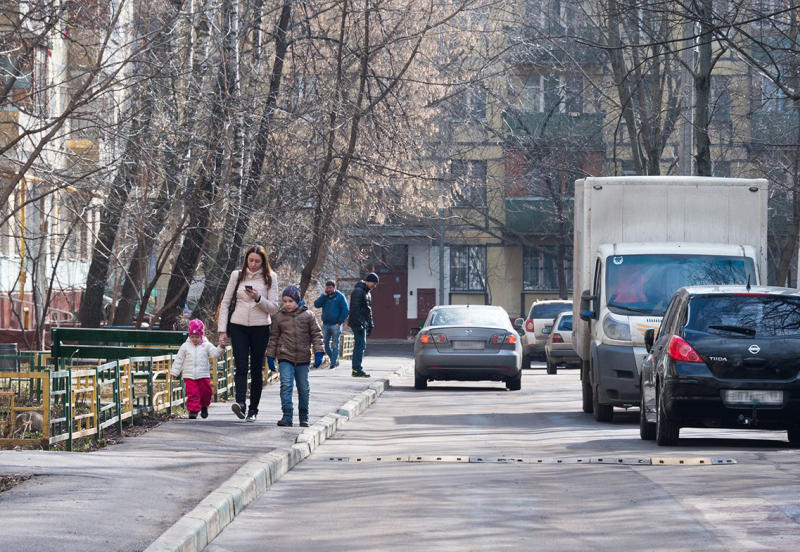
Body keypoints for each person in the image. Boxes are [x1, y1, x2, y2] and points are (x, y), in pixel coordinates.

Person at [217, 245, 279, 422]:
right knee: (241, 366)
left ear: (263, 262)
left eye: (257, 261)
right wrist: (222, 331)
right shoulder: (237, 276)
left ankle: (253, 409)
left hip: (260, 327)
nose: (253, 264)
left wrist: (258, 298)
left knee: (256, 369)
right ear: (246, 260)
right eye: (250, 260)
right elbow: (226, 303)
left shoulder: (270, 278)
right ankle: (240, 404)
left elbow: (274, 308)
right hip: (238, 326)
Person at [266, 285, 324, 427]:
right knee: (286, 385)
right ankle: (287, 415)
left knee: (303, 387)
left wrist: (318, 352)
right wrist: (271, 356)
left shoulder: (308, 315)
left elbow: (316, 335)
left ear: (297, 301)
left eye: (290, 301)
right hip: (285, 356)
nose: (287, 304)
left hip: (303, 357)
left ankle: (304, 416)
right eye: (285, 301)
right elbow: (273, 338)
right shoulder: (279, 317)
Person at [170, 319, 223, 419]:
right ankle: (193, 411)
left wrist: (221, 347)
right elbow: (179, 360)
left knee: (206, 393)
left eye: (197, 337)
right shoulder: (185, 346)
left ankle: (204, 406)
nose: (194, 339)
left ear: (201, 335)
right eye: (192, 337)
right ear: (189, 336)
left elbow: (215, 354)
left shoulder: (206, 345)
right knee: (192, 393)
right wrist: (174, 372)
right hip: (189, 375)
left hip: (203, 375)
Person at [347, 272, 378, 378]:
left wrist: (371, 324)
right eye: (374, 283)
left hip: (362, 323)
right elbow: (355, 309)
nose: (375, 286)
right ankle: (356, 369)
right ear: (368, 281)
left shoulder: (367, 293)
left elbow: (368, 311)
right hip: (357, 323)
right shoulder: (358, 291)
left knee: (361, 345)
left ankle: (357, 368)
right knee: (359, 345)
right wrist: (360, 324)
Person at [313, 279, 349, 369]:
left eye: (330, 288)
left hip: (336, 325)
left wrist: (339, 322)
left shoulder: (340, 296)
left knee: (335, 344)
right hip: (325, 324)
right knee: (325, 344)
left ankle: (332, 363)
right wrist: (323, 296)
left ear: (334, 287)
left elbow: (345, 310)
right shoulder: (325, 297)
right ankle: (334, 359)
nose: (328, 289)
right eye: (327, 288)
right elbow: (316, 304)